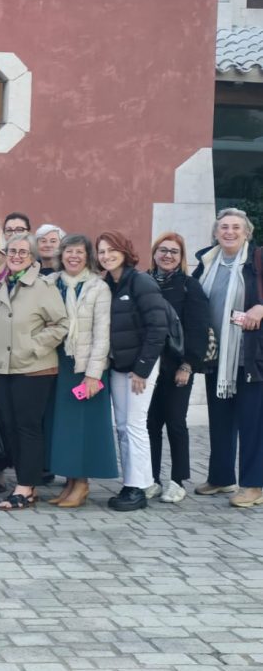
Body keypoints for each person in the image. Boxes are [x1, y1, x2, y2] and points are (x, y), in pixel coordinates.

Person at [0, 233, 68, 511]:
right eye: (12, 251)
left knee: (27, 428)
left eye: (23, 252)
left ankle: (26, 486)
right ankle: (25, 482)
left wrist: (32, 346)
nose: (17, 255)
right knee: (10, 427)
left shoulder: (43, 286)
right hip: (2, 369)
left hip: (34, 368)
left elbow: (60, 324)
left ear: (32, 256)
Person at [193, 208, 263, 507]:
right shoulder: (207, 263)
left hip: (249, 355)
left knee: (252, 422)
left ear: (246, 232)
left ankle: (254, 484)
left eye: (236, 227)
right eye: (223, 227)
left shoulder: (256, 261)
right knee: (221, 420)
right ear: (215, 232)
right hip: (217, 356)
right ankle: (221, 477)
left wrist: (262, 307)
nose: (229, 232)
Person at [98, 230, 169, 511]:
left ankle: (139, 488)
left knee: (137, 426)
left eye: (111, 250)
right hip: (119, 367)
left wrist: (142, 369)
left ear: (125, 251)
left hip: (140, 368)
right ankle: (132, 482)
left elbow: (157, 328)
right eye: (101, 251)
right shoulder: (109, 284)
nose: (106, 256)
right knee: (123, 427)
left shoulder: (141, 281)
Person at [44, 235, 116, 509]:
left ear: (88, 257)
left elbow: (102, 334)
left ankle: (83, 483)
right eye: (69, 252)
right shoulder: (51, 283)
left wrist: (94, 374)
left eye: (80, 252)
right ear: (61, 255)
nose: (73, 256)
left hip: (85, 366)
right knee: (64, 427)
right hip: (58, 363)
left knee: (84, 428)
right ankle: (70, 482)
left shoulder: (98, 288)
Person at [146, 232, 210, 504]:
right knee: (150, 425)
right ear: (155, 253)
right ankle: (150, 478)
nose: (167, 255)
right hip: (149, 368)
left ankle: (177, 480)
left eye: (174, 251)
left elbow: (198, 329)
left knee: (175, 423)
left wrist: (187, 365)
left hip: (176, 367)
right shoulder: (144, 282)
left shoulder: (189, 286)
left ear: (182, 257)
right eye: (163, 250)